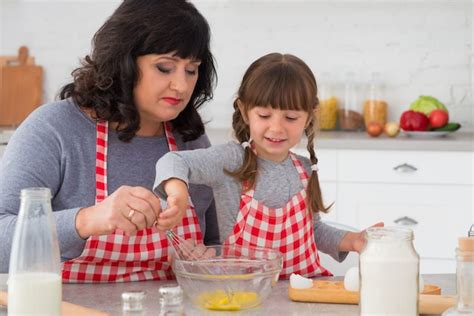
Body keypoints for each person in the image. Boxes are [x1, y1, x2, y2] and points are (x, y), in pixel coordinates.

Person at [0, 0, 220, 282]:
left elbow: (216, 242)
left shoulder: (191, 139)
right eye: (165, 68)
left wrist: (207, 261)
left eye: (191, 70)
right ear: (124, 62)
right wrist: (88, 220)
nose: (181, 85)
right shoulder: (53, 129)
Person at [153, 52, 383, 279]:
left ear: (309, 117)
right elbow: (173, 160)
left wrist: (353, 240)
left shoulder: (304, 168)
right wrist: (178, 192)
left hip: (302, 295)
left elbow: (314, 231)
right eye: (264, 115)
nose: (276, 128)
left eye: (290, 118)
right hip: (245, 295)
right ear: (245, 111)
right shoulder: (232, 160)